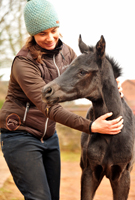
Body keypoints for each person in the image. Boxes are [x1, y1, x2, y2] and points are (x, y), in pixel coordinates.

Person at [0, 0, 123, 199]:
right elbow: (49, 108)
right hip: (20, 136)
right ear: (32, 34)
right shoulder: (23, 63)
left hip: (49, 137)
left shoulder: (67, 53)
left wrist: (112, 85)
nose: (50, 38)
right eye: (42, 33)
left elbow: (86, 78)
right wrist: (91, 127)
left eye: (53, 30)